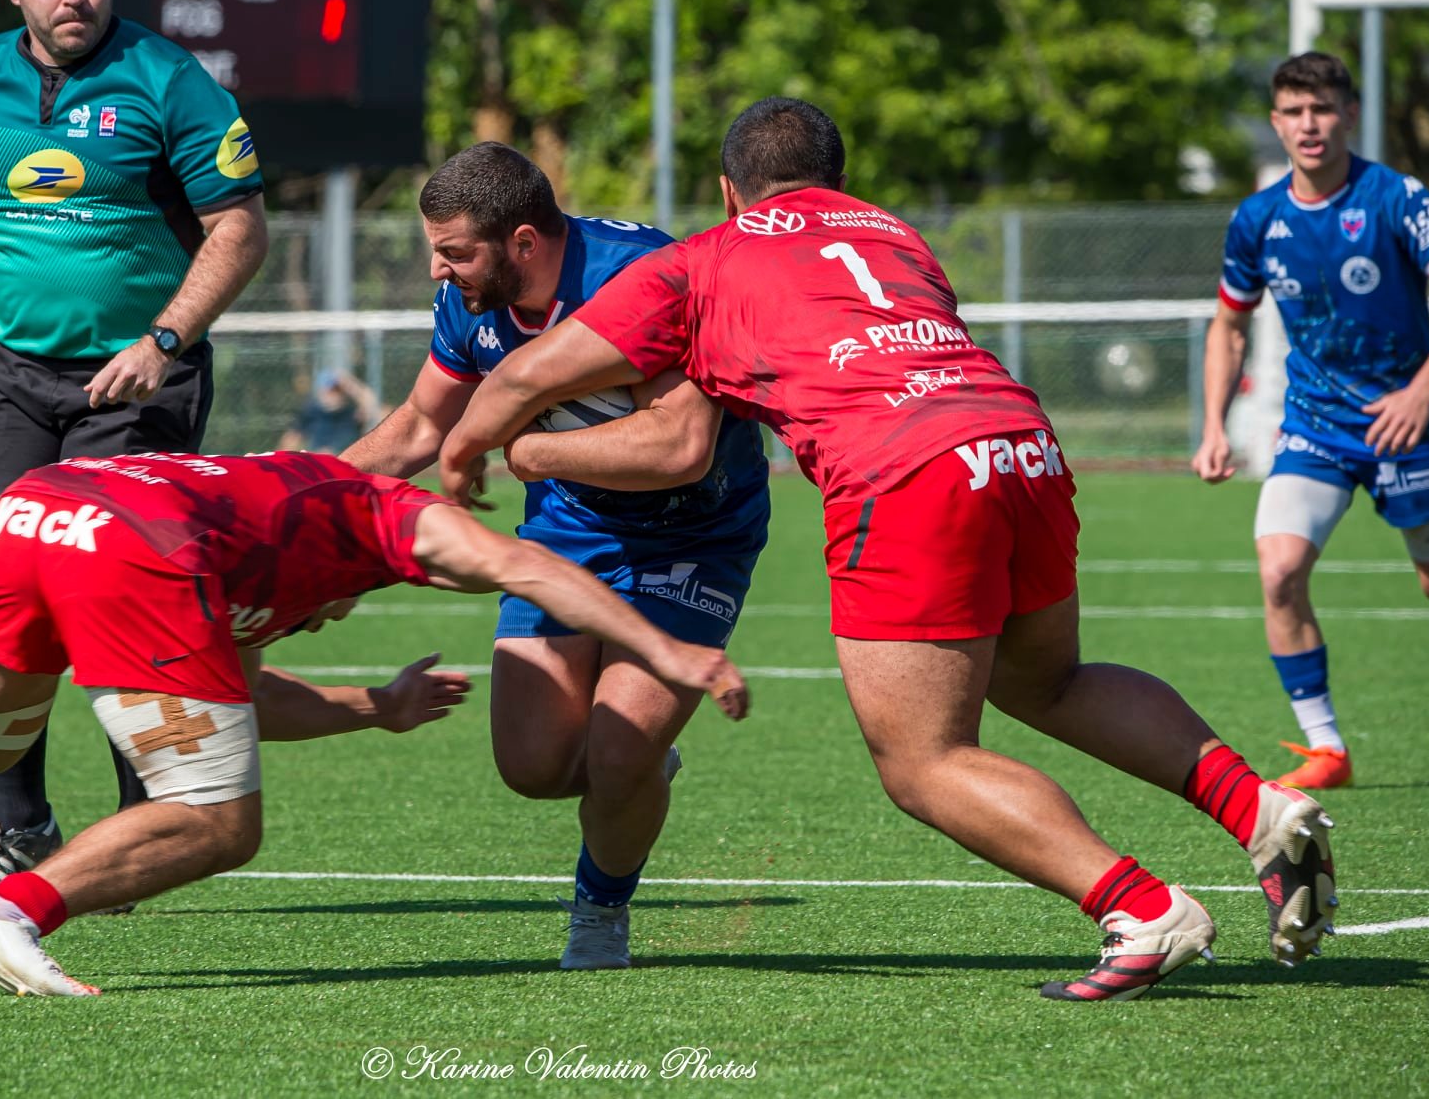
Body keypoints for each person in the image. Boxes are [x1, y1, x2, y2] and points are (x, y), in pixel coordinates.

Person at [439, 98, 1339, 1000]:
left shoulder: (698, 260)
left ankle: (1140, 908)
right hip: (1019, 442)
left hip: (905, 475)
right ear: (837, 179)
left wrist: (471, 448)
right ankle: (1256, 805)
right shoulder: (895, 235)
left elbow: (528, 372)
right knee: (1045, 681)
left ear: (728, 190)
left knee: (923, 761)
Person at [0, 450, 748, 996]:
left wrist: (373, 709)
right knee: (218, 823)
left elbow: (234, 697)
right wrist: (668, 652)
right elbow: (523, 565)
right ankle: (10, 911)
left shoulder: (268, 532)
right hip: (132, 549)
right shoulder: (393, 516)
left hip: (37, 513)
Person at [0, 0, 271, 908]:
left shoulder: (168, 80)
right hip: (10, 372)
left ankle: (139, 822)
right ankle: (21, 828)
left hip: (134, 379)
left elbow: (242, 229)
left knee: (104, 591)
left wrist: (164, 339)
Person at [341, 142, 771, 968]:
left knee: (618, 753)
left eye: (455, 251)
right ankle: (640, 772)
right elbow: (421, 429)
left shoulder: (645, 274)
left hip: (693, 534)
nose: (437, 269)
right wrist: (280, 492)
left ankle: (602, 910)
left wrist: (532, 457)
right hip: (568, 536)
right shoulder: (471, 301)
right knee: (533, 769)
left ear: (525, 243)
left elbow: (677, 447)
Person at [1193, 52, 1429, 790]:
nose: (1309, 124)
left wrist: (1420, 393)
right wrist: (1214, 426)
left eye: (1322, 109)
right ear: (1276, 123)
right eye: (1293, 111)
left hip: (1404, 429)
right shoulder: (1257, 218)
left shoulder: (1394, 197)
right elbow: (1228, 324)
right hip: (1315, 428)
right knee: (1279, 571)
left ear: (1348, 114)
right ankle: (1327, 748)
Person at [279, 368, 382, 453]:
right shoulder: (312, 413)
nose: (335, 395)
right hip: (319, 463)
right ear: (321, 392)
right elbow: (290, 440)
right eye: (331, 391)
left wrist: (352, 386)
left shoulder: (351, 414)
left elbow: (375, 408)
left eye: (338, 391)